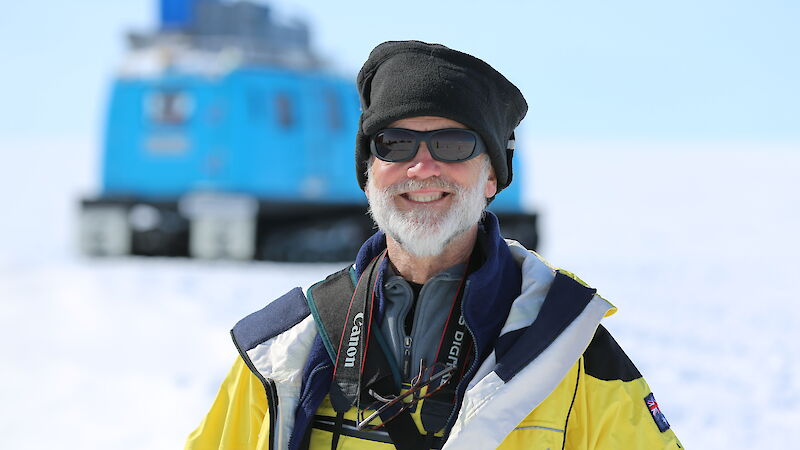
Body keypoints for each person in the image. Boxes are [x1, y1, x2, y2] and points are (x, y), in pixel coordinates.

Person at [185, 40, 683, 450]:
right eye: (395, 145)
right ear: (368, 174)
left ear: (492, 177)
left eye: (452, 145)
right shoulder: (281, 353)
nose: (422, 168)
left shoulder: (568, 348)